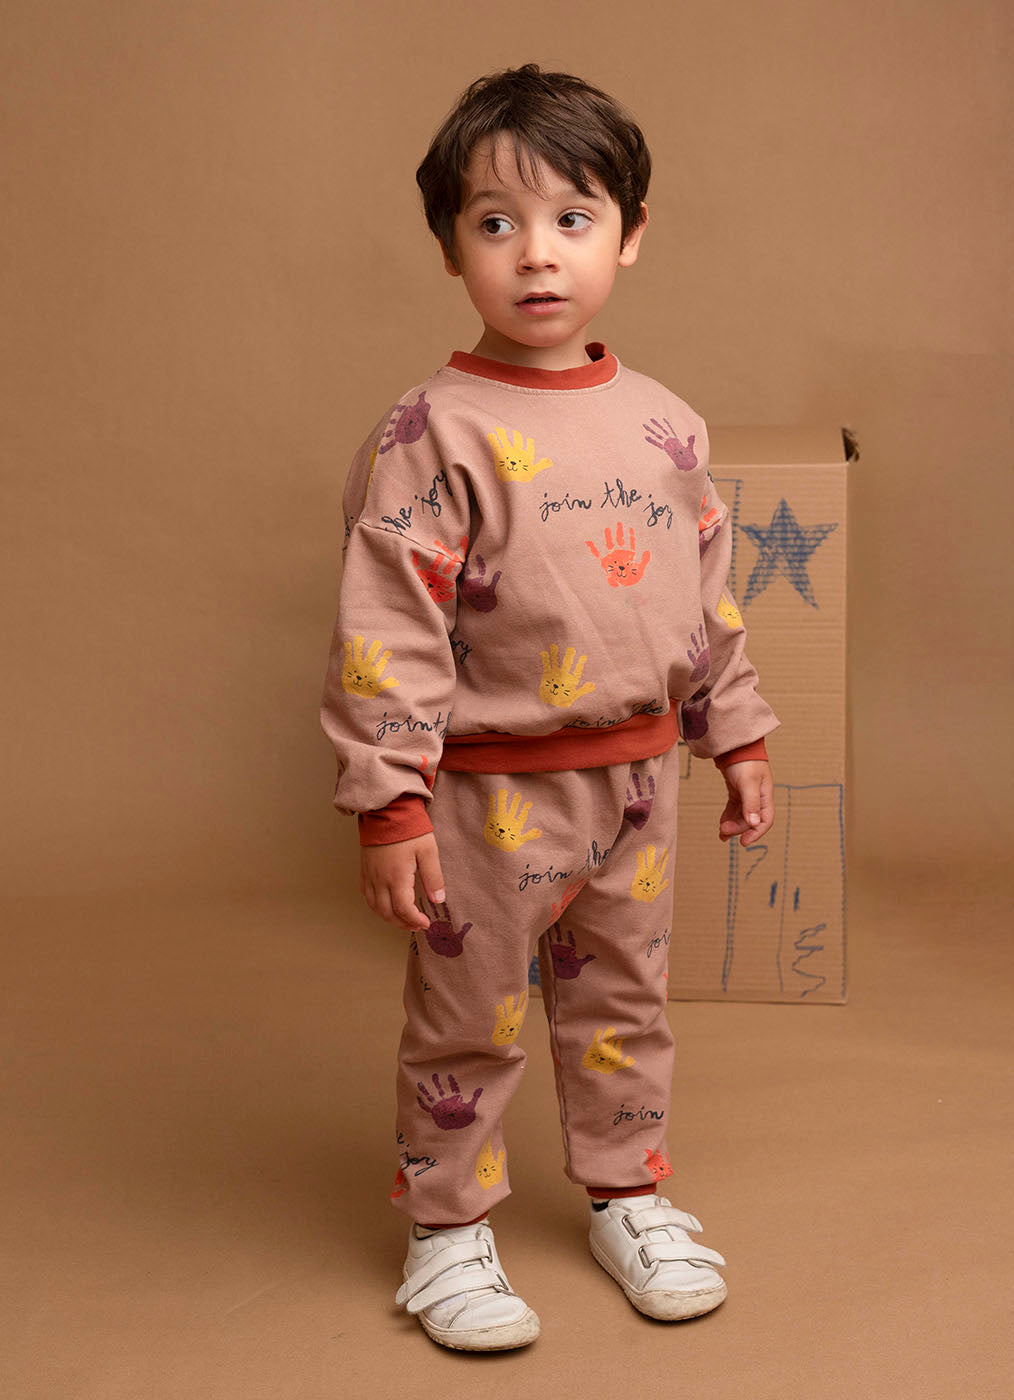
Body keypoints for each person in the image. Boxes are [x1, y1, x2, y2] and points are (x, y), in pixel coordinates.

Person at [319, 63, 778, 1352]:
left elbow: (706, 600)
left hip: (640, 783)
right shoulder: (432, 431)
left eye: (573, 218)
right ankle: (446, 1229)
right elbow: (387, 630)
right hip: (486, 795)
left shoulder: (666, 424)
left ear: (629, 235)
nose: (536, 254)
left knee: (625, 1002)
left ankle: (628, 1195)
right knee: (470, 1015)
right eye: (496, 222)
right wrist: (390, 803)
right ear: (450, 247)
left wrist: (736, 732)